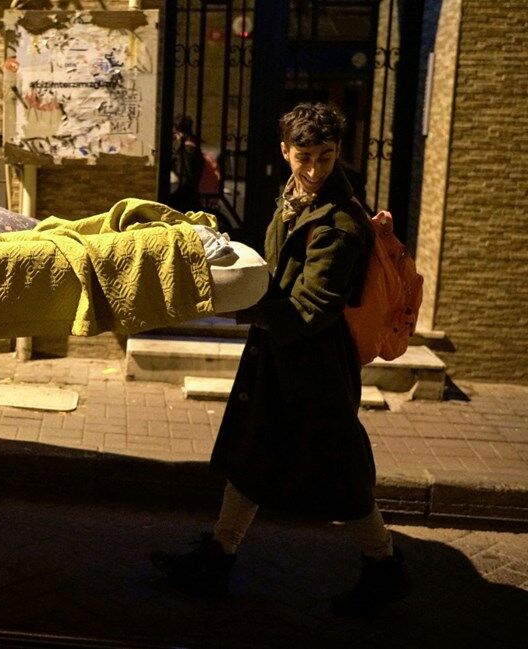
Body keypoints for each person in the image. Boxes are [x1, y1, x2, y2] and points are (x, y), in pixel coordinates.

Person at [151, 102, 411, 616]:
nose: (314, 170)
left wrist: (234, 307)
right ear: (285, 151)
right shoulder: (294, 198)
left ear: (338, 152)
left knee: (342, 474)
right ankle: (218, 557)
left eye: (325, 157)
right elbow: (278, 269)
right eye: (304, 157)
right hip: (281, 357)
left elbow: (312, 307)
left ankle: (384, 566)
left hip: (316, 369)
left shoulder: (339, 223)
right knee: (251, 459)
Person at [168, 115, 206, 213]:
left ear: (178, 131)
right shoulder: (192, 146)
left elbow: (187, 174)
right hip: (188, 193)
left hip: (183, 195)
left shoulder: (188, 149)